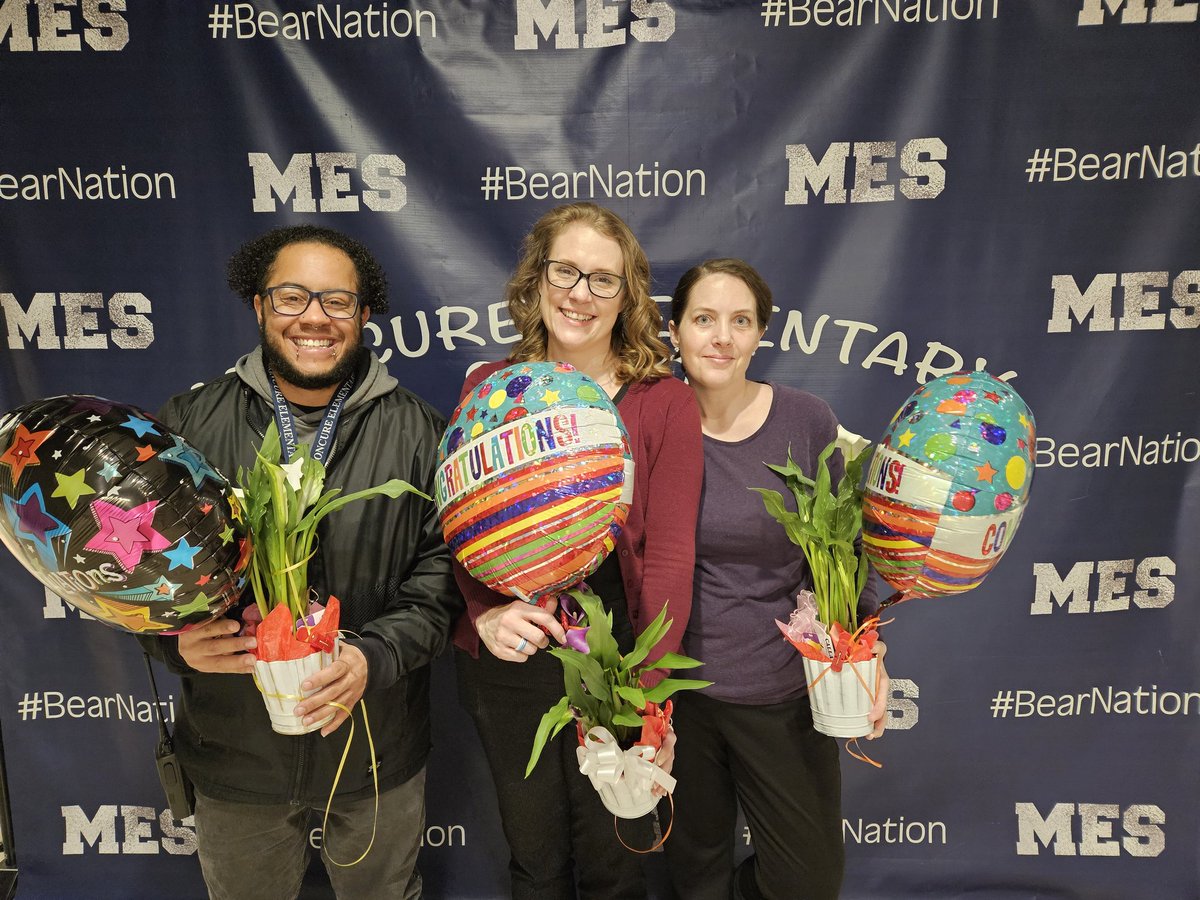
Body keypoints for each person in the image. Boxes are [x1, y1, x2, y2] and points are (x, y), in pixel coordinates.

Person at [139, 225, 461, 900]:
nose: (314, 316)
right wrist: (174, 644)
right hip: (236, 756)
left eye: (337, 301)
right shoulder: (190, 427)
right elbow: (140, 574)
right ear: (258, 307)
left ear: (364, 315)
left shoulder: (422, 434)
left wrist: (375, 656)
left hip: (374, 749)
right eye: (291, 297)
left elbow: (441, 584)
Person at [451, 202, 703, 900]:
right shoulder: (488, 390)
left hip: (619, 658)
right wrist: (483, 616)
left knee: (614, 860)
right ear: (537, 279)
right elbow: (459, 530)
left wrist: (649, 694)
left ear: (627, 299)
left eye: (603, 280)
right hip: (516, 650)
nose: (580, 294)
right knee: (534, 858)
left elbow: (672, 554)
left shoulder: (663, 401)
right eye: (566, 271)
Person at [662, 258, 888, 900]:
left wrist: (868, 651)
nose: (721, 337)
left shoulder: (806, 420)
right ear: (675, 331)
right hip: (684, 696)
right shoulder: (652, 421)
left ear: (761, 333)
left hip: (786, 695)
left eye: (740, 321)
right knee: (694, 873)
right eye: (704, 319)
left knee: (808, 880)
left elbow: (851, 550)